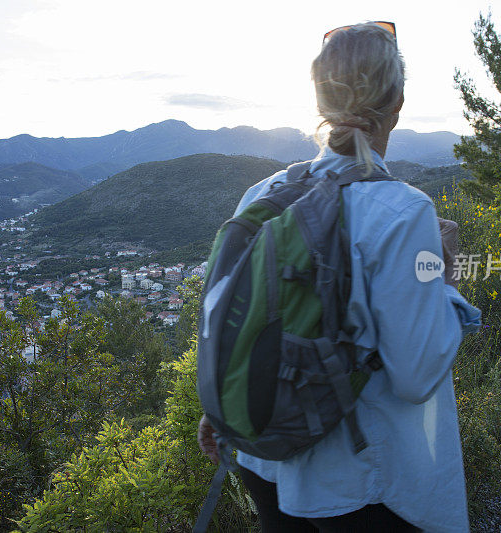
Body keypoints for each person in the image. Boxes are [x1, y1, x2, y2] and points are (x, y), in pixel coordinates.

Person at [198, 21, 481, 533]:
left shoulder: (265, 193)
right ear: (397, 103)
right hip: (356, 479)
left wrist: (223, 408)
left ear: (320, 99)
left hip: (264, 457)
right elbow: (417, 376)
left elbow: (231, 314)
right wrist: (446, 274)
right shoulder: (403, 211)